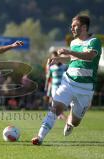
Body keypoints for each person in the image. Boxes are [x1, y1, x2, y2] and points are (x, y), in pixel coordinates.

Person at [32, 15, 102, 145]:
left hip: (85, 88)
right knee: (55, 108)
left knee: (76, 122)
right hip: (68, 82)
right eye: (72, 26)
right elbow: (72, 60)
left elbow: (89, 57)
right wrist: (59, 59)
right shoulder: (74, 43)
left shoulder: (94, 41)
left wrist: (69, 52)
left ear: (84, 27)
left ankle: (70, 122)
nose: (72, 28)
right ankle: (40, 137)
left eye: (75, 26)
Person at [45, 50, 67, 120]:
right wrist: (47, 86)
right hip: (54, 86)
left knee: (61, 101)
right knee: (54, 100)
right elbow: (49, 77)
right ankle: (59, 114)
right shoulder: (51, 67)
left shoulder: (64, 66)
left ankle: (59, 114)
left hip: (62, 86)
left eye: (55, 57)